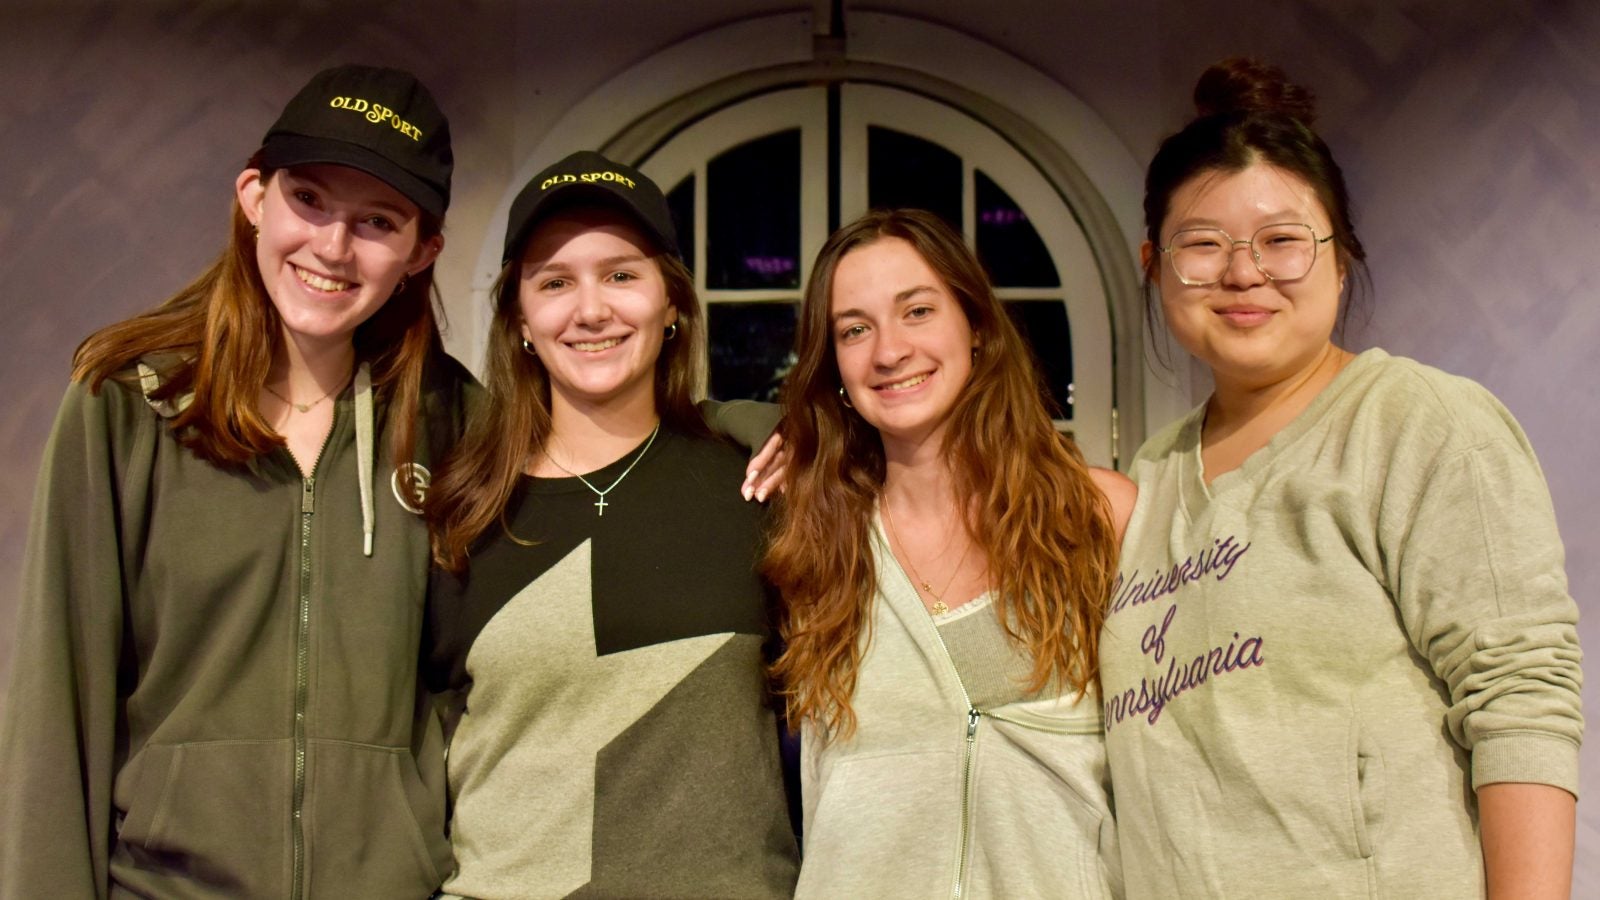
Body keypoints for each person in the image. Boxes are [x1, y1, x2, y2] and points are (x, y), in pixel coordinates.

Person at [1101, 58, 1583, 899]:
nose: (1243, 273)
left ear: (1341, 255)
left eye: (1282, 240)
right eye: (1203, 245)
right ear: (1155, 264)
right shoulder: (1155, 473)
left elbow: (1521, 698)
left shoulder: (1418, 424)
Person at [0, 65, 470, 897]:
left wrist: (751, 437)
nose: (331, 246)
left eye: (377, 221)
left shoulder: (453, 420)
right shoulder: (128, 402)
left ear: (420, 251)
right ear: (255, 196)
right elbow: (58, 700)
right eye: (310, 199)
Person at [422, 151, 800, 899]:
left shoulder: (756, 483)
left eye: (621, 275)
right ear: (521, 321)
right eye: (554, 282)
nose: (590, 310)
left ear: (673, 304)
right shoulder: (462, 505)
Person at [765, 208, 1137, 898]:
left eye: (917, 311)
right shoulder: (812, 549)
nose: (888, 351)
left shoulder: (1097, 515)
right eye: (854, 329)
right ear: (835, 366)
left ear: (976, 327)